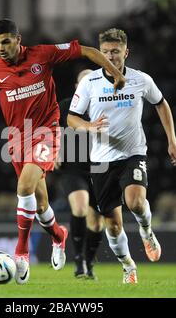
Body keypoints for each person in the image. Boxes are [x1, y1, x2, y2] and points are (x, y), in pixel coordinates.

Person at [0, 19, 125, 285]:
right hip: (17, 140)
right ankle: (58, 236)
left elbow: (86, 51)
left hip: (46, 133)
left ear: (18, 39)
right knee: (40, 206)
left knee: (24, 187)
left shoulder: (43, 54)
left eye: (6, 41)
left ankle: (22, 252)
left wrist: (115, 73)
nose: (1, 48)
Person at [67, 28, 176, 284]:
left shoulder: (141, 79)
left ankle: (147, 231)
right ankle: (128, 265)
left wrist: (172, 141)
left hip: (133, 153)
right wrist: (87, 126)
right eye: (105, 52)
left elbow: (161, 103)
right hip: (102, 160)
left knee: (136, 202)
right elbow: (71, 117)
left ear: (126, 52)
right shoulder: (89, 83)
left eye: (116, 52)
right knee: (114, 225)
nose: (111, 57)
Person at [57, 69, 103, 279]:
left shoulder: (103, 106)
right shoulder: (66, 106)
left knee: (96, 222)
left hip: (99, 169)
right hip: (73, 167)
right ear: (77, 87)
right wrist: (54, 149)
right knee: (80, 206)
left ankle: (89, 260)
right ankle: (78, 260)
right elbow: (51, 127)